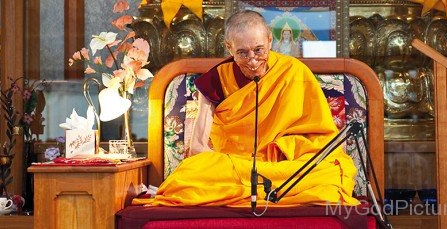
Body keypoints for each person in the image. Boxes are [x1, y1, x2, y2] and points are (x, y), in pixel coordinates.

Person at [133, 10, 358, 207]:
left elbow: (320, 138)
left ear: (270, 40)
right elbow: (197, 148)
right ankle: (262, 189)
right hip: (235, 165)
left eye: (259, 50)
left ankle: (254, 189)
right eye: (242, 53)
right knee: (190, 172)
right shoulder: (215, 81)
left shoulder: (295, 73)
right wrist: (235, 167)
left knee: (331, 171)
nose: (252, 60)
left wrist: (285, 146)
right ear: (229, 48)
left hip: (283, 165)